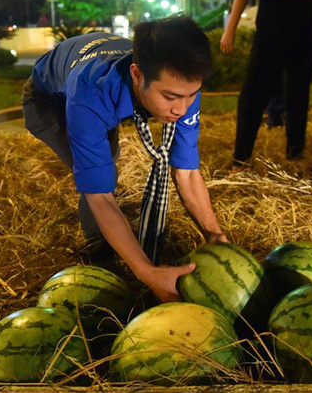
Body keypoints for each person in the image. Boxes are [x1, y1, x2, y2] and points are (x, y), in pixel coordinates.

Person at [22, 16, 228, 303]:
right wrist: (145, 271)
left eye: (190, 95)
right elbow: (100, 195)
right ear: (137, 74)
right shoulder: (90, 93)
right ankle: (100, 255)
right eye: (170, 97)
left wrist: (215, 236)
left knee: (106, 163)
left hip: (102, 80)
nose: (181, 108)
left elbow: (187, 172)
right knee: (100, 175)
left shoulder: (182, 81)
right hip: (47, 102)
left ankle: (113, 242)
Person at [221, 0, 312, 168]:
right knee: (280, 91)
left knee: (268, 93)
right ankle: (253, 159)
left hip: (285, 14)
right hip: (296, 14)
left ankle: (250, 159)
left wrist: (229, 31)